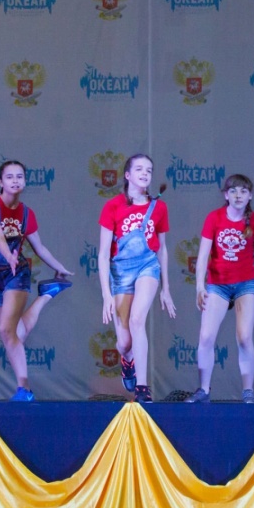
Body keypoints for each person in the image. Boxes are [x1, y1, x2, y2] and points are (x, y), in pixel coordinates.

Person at [0, 160, 73, 402]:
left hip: (16, 273)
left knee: (6, 330)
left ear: (25, 181)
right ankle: (46, 295)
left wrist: (58, 266)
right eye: (9, 177)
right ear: (0, 182)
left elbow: (39, 247)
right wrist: (8, 254)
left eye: (19, 176)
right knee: (14, 333)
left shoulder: (26, 213)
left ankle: (24, 389)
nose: (15, 181)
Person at [185, 174, 254, 404]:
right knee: (206, 336)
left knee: (244, 337)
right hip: (217, 284)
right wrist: (200, 286)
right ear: (225, 195)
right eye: (233, 191)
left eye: (243, 191)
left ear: (250, 195)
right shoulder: (214, 218)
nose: (238, 195)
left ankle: (248, 391)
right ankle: (204, 390)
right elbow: (202, 256)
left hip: (246, 284)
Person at [98, 153, 176, 403]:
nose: (145, 173)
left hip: (147, 266)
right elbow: (103, 254)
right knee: (124, 342)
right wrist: (106, 295)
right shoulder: (113, 206)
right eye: (139, 169)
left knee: (137, 319)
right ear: (128, 175)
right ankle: (127, 359)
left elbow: (162, 249)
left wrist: (166, 288)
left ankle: (142, 387)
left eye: (149, 170)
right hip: (121, 272)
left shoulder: (159, 207)